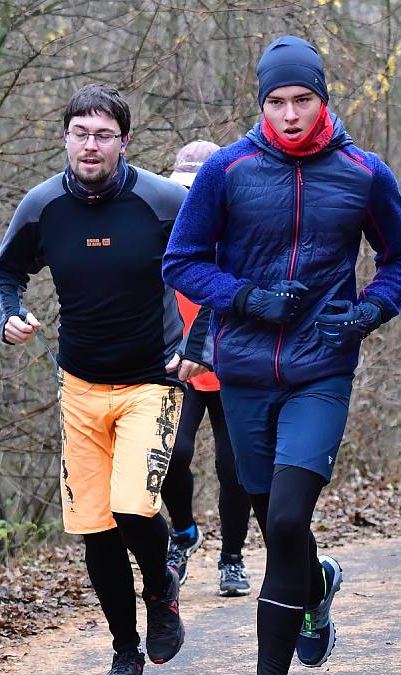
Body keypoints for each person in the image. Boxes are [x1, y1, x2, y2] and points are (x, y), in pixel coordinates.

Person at [163, 36, 401, 675]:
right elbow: (181, 261)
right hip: (243, 371)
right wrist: (246, 297)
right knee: (265, 504)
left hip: (320, 371)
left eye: (301, 99)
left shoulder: (364, 174)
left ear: (322, 98)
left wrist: (368, 311)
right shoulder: (227, 170)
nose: (288, 113)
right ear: (261, 103)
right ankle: (317, 585)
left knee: (282, 522)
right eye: (275, 101)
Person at [0, 84, 212, 675]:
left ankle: (161, 590)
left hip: (153, 380)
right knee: (94, 525)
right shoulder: (42, 207)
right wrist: (7, 313)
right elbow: (4, 271)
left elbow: (215, 271)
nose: (91, 145)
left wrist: (200, 345)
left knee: (133, 505)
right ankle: (125, 653)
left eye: (103, 135)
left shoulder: (163, 201)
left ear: (124, 142)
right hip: (79, 385)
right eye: (81, 133)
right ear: (65, 138)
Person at [162, 140, 252, 597]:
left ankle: (232, 559)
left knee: (233, 466)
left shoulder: (241, 237)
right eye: (183, 188)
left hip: (232, 365)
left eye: (198, 188)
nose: (190, 198)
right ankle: (183, 533)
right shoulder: (166, 234)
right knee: (169, 455)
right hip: (180, 366)